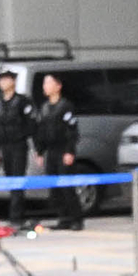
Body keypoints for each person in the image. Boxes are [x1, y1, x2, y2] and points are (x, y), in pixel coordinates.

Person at [32, 70, 85, 230]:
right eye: (44, 83)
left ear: (58, 86)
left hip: (63, 150)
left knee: (67, 186)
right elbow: (40, 131)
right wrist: (40, 152)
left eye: (49, 83)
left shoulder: (65, 106)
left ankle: (77, 219)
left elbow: (72, 131)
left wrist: (69, 151)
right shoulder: (45, 107)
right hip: (51, 152)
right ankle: (63, 218)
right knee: (54, 188)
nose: (45, 86)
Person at [0, 68, 33, 193]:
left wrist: (21, 135)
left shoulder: (22, 101)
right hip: (5, 147)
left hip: (18, 146)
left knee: (18, 181)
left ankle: (16, 212)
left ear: (13, 81)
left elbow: (31, 124)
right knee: (9, 182)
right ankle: (14, 210)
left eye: (6, 79)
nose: (3, 82)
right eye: (1, 80)